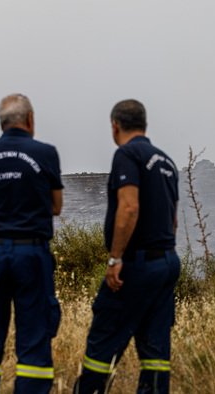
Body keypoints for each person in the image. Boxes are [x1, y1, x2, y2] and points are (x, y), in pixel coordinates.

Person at [74, 99, 180, 394]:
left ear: (115, 126)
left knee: (102, 343)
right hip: (166, 262)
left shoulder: (127, 154)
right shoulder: (167, 162)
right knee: (155, 352)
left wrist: (115, 259)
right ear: (145, 126)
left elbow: (129, 208)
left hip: (136, 264)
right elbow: (172, 221)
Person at [0, 94, 63, 393]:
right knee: (34, 338)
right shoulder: (46, 153)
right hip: (31, 253)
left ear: (2, 123)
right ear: (30, 120)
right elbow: (55, 206)